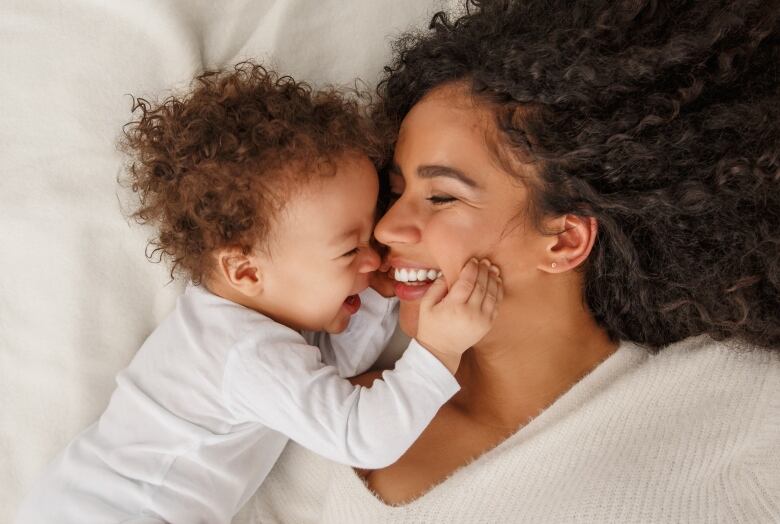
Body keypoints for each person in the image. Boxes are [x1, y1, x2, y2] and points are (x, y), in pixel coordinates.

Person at [246, 1, 780, 521]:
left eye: (441, 197)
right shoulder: (333, 409)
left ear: (564, 240)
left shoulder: (738, 406)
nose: (386, 228)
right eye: (396, 191)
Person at [14, 63, 503, 524]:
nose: (373, 258)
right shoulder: (244, 351)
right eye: (349, 251)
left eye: (369, 240)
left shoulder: (245, 322)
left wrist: (380, 293)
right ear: (246, 271)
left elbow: (333, 374)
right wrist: (438, 351)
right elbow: (360, 435)